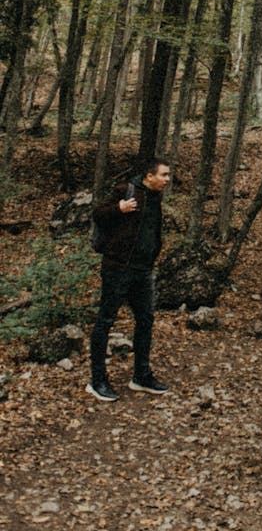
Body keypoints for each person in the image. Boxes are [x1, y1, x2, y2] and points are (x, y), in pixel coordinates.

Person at [86, 158, 171, 402]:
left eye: (168, 175)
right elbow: (97, 214)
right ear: (149, 176)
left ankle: (141, 376)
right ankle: (97, 380)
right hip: (118, 269)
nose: (167, 179)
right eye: (163, 175)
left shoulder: (155, 198)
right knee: (105, 321)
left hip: (142, 271)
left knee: (145, 320)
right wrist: (118, 209)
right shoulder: (126, 191)